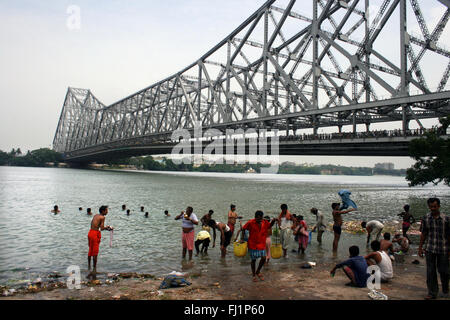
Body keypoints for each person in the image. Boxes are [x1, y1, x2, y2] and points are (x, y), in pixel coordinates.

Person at [418, 197, 449, 300]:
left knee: (443, 270)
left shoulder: (446, 219)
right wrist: (420, 247)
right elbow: (424, 233)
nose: (433, 208)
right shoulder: (426, 218)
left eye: (435, 206)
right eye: (431, 207)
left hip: (443, 249)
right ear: (429, 207)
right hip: (430, 248)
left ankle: (445, 287)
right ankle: (432, 292)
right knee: (430, 271)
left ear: (439, 206)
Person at [241, 211, 277, 282]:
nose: (259, 220)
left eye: (261, 218)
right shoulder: (251, 222)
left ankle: (258, 271)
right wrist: (242, 238)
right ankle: (254, 274)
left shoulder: (264, 222)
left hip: (261, 243)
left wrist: (273, 220)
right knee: (253, 260)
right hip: (253, 244)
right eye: (258, 219)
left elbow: (269, 226)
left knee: (263, 258)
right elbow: (243, 228)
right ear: (255, 217)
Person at [88, 206, 113, 277]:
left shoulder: (96, 215)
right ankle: (94, 269)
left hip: (90, 232)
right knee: (95, 252)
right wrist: (108, 228)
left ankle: (89, 267)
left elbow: (94, 224)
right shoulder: (102, 217)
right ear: (103, 211)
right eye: (106, 211)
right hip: (95, 234)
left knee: (90, 250)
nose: (107, 212)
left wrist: (105, 228)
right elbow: (101, 228)